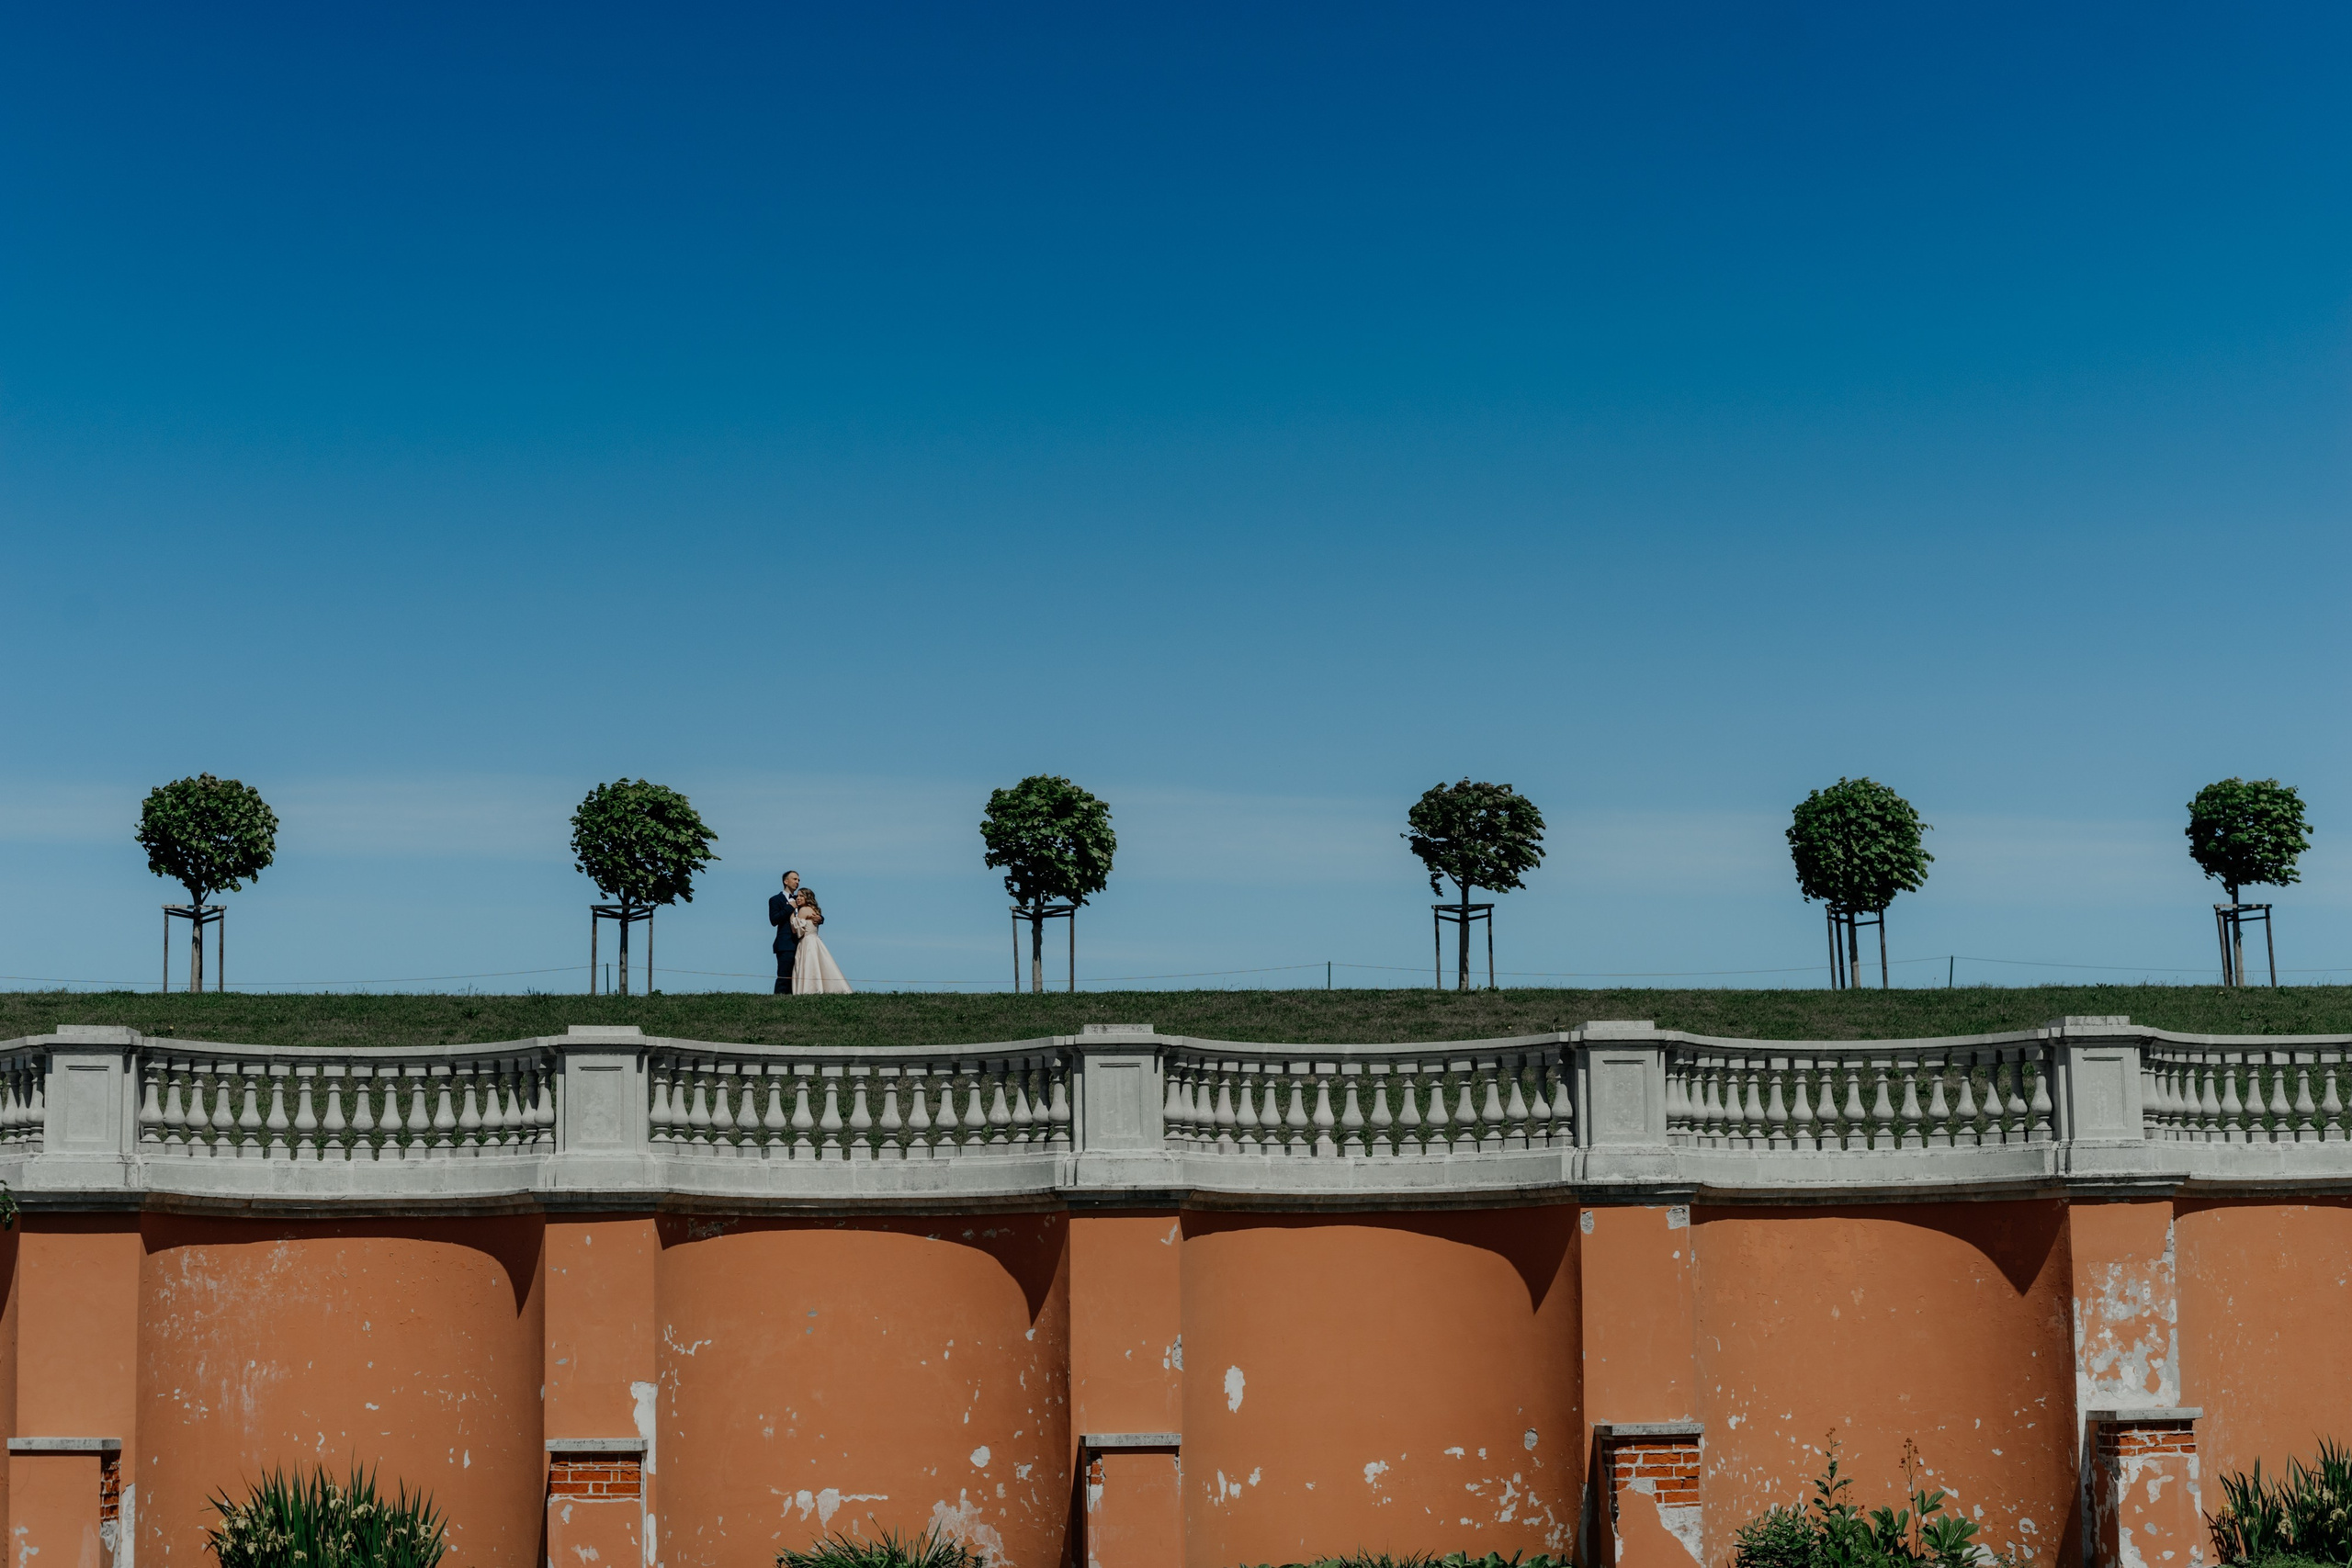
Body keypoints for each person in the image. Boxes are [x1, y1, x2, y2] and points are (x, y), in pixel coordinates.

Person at [789, 889, 851, 995]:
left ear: (807, 898)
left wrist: (791, 911)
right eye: (797, 896)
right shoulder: (814, 910)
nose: (798, 898)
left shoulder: (803, 910)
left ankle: (809, 990)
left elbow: (796, 929)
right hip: (815, 940)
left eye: (801, 896)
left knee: (809, 965)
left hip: (807, 942)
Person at [768, 870, 813, 995]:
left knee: (798, 975)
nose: (797, 882)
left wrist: (820, 919)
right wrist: (790, 907)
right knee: (784, 976)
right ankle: (778, 1001)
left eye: (798, 880)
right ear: (785, 881)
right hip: (785, 944)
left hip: (801, 944)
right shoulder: (775, 900)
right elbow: (774, 920)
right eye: (794, 879)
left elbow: (813, 908)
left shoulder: (800, 899)